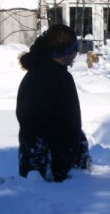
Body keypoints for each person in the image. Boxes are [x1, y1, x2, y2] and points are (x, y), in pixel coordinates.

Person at [16, 24, 91, 182]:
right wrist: (42, 170)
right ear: (64, 51)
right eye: (74, 48)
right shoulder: (42, 78)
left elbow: (66, 118)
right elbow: (32, 126)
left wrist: (79, 145)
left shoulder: (57, 74)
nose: (77, 52)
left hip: (63, 170)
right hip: (50, 177)